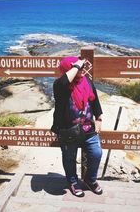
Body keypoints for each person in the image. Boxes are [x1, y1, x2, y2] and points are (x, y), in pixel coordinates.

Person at [52, 56, 103, 197]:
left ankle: (90, 179)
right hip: (67, 130)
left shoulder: (87, 81)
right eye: (77, 67)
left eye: (81, 67)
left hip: (88, 128)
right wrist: (77, 65)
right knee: (69, 157)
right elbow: (63, 82)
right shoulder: (60, 85)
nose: (81, 69)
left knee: (96, 153)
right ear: (69, 69)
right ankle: (73, 182)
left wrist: (98, 118)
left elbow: (95, 101)